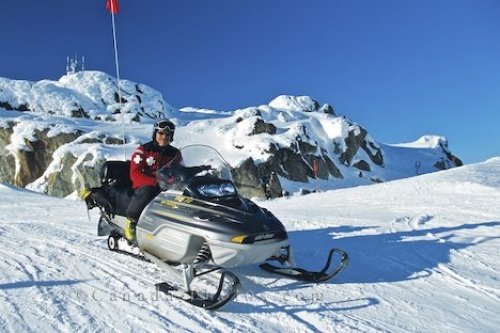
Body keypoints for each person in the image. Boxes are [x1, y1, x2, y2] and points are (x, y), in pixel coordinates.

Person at [124, 119, 182, 242]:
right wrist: (156, 182)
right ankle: (131, 221)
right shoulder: (143, 150)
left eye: (167, 135)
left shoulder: (175, 153)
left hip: (166, 187)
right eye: (161, 133)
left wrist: (199, 169)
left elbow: (180, 170)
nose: (164, 137)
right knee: (148, 191)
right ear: (155, 133)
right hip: (144, 185)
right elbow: (135, 174)